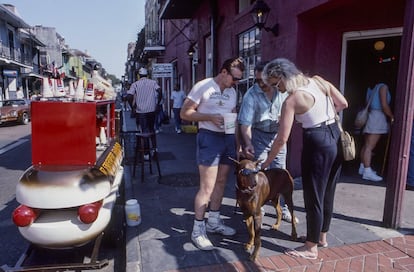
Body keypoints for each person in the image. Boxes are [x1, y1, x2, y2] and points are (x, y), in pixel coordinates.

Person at [260, 58, 348, 260]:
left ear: (283, 77)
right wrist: (324, 118)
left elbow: (282, 139)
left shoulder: (292, 100)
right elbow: (343, 103)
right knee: (327, 192)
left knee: (313, 195)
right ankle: (320, 238)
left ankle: (311, 248)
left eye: (276, 84)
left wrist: (266, 162)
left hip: (317, 142)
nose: (277, 89)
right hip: (335, 135)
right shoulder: (318, 80)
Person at [180, 57, 245, 250]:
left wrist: (238, 143)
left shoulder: (232, 92)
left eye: (239, 79)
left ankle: (214, 222)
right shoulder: (203, 86)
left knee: (221, 182)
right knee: (206, 187)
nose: (236, 82)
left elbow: (233, 117)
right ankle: (197, 230)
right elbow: (184, 113)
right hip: (208, 137)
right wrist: (209, 116)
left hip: (227, 139)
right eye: (234, 78)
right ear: (223, 72)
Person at [237, 61, 296, 223]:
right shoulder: (251, 94)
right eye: (257, 80)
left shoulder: (282, 90)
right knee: (259, 172)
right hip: (259, 135)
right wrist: (248, 142)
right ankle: (258, 203)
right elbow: (245, 123)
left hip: (278, 136)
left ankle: (285, 208)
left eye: (263, 80)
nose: (260, 84)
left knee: (280, 171)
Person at [358, 82, 394, 182]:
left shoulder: (371, 87)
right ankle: (367, 171)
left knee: (366, 145)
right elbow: (384, 105)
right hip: (378, 117)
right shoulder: (383, 86)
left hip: (370, 116)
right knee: (370, 147)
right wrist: (391, 116)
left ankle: (363, 167)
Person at [129, 67, 160, 134]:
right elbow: (159, 91)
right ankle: (153, 143)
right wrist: (157, 104)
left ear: (139, 75)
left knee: (144, 129)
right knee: (151, 128)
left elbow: (129, 95)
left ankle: (146, 143)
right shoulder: (153, 83)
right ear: (147, 75)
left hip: (141, 111)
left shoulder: (135, 84)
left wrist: (133, 107)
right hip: (152, 109)